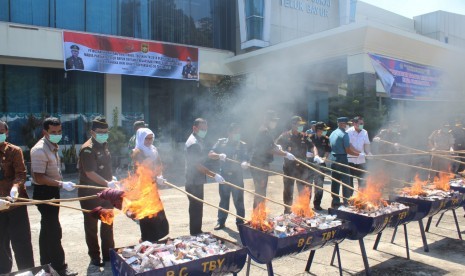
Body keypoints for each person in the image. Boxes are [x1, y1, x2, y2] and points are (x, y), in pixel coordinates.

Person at [30, 117, 77, 276]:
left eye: (59, 131)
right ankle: (60, 267)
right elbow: (39, 178)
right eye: (53, 132)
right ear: (45, 132)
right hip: (44, 192)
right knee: (54, 231)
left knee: (47, 230)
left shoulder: (52, 146)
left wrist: (59, 184)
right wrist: (61, 184)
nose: (57, 134)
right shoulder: (40, 150)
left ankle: (46, 266)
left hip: (52, 191)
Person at [78, 117, 119, 267]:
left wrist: (111, 179)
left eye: (105, 132)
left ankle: (109, 254)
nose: (103, 134)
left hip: (106, 193)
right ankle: (95, 257)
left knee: (108, 223)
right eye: (100, 132)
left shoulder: (104, 145)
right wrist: (108, 183)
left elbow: (106, 168)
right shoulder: (87, 148)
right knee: (91, 226)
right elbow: (90, 173)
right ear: (92, 132)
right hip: (90, 194)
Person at [0, 120, 34, 274]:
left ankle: (26, 272)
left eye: (1, 132)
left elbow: (20, 174)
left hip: (16, 204)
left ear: (6, 132)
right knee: (1, 244)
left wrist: (15, 188)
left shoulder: (14, 151)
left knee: (22, 243)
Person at [185, 118, 225, 235]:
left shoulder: (199, 140)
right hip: (193, 181)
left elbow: (206, 155)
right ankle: (195, 233)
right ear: (194, 128)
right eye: (202, 129)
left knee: (198, 207)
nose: (204, 131)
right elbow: (197, 165)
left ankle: (197, 231)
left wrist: (218, 156)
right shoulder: (193, 143)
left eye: (205, 129)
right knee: (195, 208)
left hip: (197, 180)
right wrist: (214, 175)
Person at [249, 110, 296, 208]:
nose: (274, 122)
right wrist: (285, 154)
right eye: (272, 120)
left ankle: (260, 215)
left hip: (263, 163)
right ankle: (257, 217)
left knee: (262, 190)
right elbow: (268, 149)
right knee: (260, 190)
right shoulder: (264, 131)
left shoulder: (267, 131)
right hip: (259, 164)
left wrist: (276, 146)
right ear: (266, 120)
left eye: (275, 120)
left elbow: (271, 144)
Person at [131, 128, 169, 242]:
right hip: (142, 186)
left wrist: (160, 176)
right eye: (146, 139)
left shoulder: (153, 150)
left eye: (151, 138)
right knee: (146, 213)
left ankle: (157, 237)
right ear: (141, 139)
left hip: (152, 185)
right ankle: (146, 238)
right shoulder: (137, 152)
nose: (149, 141)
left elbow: (158, 164)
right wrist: (154, 176)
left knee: (157, 211)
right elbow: (141, 169)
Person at [208, 123, 247, 230]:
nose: (237, 135)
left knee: (239, 200)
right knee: (224, 199)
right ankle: (221, 221)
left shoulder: (242, 144)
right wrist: (219, 155)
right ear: (229, 133)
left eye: (239, 132)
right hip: (224, 176)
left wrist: (245, 163)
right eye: (235, 132)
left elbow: (246, 158)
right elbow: (210, 154)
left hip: (237, 176)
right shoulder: (221, 143)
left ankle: (240, 221)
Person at [276, 116, 315, 213]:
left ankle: (302, 209)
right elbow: (277, 146)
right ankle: (287, 210)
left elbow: (312, 147)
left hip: (302, 167)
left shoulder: (304, 136)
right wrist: (284, 153)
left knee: (303, 189)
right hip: (289, 167)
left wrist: (315, 154)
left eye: (301, 125)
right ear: (293, 125)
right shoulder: (284, 136)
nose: (301, 127)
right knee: (288, 189)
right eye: (298, 125)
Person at [328, 117, 360, 207]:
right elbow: (348, 150)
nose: (347, 125)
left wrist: (358, 152)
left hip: (333, 158)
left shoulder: (332, 133)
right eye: (346, 124)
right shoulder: (344, 135)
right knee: (346, 181)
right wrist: (359, 155)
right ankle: (347, 201)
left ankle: (335, 201)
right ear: (342, 124)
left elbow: (330, 145)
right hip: (342, 158)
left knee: (335, 181)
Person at [308, 122, 331, 210]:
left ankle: (317, 204)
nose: (325, 132)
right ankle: (306, 204)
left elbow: (327, 150)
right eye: (324, 130)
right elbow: (308, 148)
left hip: (321, 164)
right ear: (318, 130)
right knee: (308, 185)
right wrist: (312, 155)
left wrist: (324, 158)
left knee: (319, 185)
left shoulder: (326, 139)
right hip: (310, 163)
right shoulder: (310, 137)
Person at [347, 116, 372, 188]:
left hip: (361, 160)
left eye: (363, 123)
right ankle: (349, 197)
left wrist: (368, 152)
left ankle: (361, 197)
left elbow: (367, 144)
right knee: (349, 181)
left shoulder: (365, 132)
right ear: (354, 123)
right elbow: (349, 145)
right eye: (360, 123)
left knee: (362, 180)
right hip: (350, 159)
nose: (362, 125)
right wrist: (359, 153)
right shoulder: (348, 132)